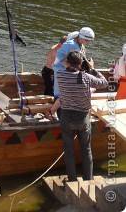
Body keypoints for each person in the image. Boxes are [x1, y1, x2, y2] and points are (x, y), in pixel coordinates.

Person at [57, 50, 108, 182]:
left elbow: (69, 71)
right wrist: (93, 68)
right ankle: (88, 179)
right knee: (86, 150)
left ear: (68, 62)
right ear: (81, 63)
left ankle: (72, 179)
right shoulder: (86, 77)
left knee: (69, 151)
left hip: (66, 115)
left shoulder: (59, 75)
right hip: (83, 117)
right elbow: (104, 83)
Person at [46, 27, 95, 120]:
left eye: (89, 41)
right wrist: (68, 68)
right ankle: (55, 114)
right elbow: (59, 56)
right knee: (61, 93)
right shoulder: (70, 44)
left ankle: (56, 113)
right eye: (87, 40)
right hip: (61, 71)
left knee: (64, 93)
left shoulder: (78, 43)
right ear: (81, 37)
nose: (88, 42)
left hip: (68, 71)